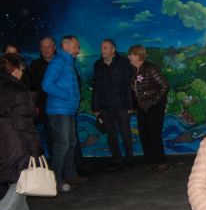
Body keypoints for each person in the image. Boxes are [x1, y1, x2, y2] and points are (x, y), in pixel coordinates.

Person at [0, 53, 42, 210]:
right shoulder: (18, 91)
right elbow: (24, 124)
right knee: (23, 175)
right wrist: (35, 148)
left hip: (3, 138)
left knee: (16, 174)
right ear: (16, 70)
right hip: (14, 139)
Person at [42, 35, 87, 192]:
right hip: (59, 110)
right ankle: (55, 180)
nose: (78, 50)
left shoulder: (68, 62)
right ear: (66, 46)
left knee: (71, 142)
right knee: (62, 144)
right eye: (76, 46)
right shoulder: (58, 62)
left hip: (67, 110)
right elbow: (46, 85)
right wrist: (67, 96)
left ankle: (70, 174)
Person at [92, 39, 134, 170]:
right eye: (101, 48)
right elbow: (96, 87)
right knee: (111, 134)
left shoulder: (124, 63)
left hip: (122, 105)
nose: (102, 50)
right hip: (105, 106)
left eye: (105, 48)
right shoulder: (98, 65)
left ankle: (129, 159)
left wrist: (130, 106)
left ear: (113, 49)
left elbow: (128, 85)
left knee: (125, 132)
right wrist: (95, 107)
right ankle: (116, 159)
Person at [128, 45, 169, 171]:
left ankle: (161, 161)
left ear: (137, 56)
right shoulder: (134, 70)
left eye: (131, 55)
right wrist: (133, 106)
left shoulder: (150, 68)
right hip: (142, 108)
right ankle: (151, 161)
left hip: (154, 107)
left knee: (154, 134)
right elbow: (135, 91)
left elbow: (165, 85)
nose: (129, 57)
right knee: (144, 134)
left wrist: (154, 101)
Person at [29, 36, 57, 155]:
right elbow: (31, 88)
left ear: (54, 47)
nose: (46, 50)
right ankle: (55, 164)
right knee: (50, 138)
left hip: (62, 107)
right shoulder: (35, 65)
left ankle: (72, 164)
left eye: (48, 46)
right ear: (40, 48)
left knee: (66, 138)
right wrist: (35, 106)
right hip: (44, 108)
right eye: (43, 47)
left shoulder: (63, 63)